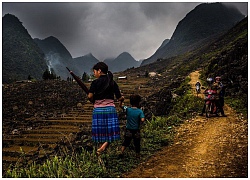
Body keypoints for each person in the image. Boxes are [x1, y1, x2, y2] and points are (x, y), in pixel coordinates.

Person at [87, 62, 124, 155]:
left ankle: (101, 151)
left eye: (94, 72)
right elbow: (119, 97)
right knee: (111, 133)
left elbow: (90, 96)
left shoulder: (95, 82)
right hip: (110, 110)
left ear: (99, 71)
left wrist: (94, 100)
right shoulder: (112, 82)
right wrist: (121, 100)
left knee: (100, 133)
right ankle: (104, 147)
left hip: (98, 111)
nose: (94, 74)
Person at [118, 94, 145, 159]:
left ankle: (121, 152)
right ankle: (137, 155)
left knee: (126, 141)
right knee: (137, 143)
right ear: (138, 102)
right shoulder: (140, 111)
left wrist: (121, 100)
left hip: (128, 129)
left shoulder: (128, 109)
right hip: (136, 130)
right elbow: (142, 119)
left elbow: (120, 106)